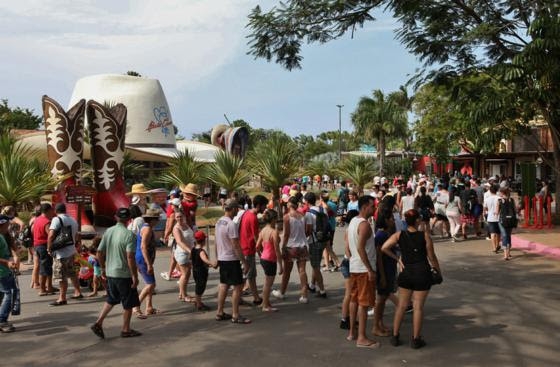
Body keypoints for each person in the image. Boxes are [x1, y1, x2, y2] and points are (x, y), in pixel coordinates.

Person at [382, 209, 441, 349]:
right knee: (418, 306)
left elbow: (384, 247)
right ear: (417, 221)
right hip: (422, 272)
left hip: (406, 272)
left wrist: (398, 259)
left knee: (401, 306)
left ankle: (395, 336)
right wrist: (438, 270)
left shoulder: (399, 235)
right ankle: (416, 339)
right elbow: (431, 256)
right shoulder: (425, 236)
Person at [90, 208, 142, 339]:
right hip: (123, 274)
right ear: (129, 219)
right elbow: (130, 257)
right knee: (128, 303)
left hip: (111, 272)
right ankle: (125, 329)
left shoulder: (109, 231)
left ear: (115, 217)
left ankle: (98, 322)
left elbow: (99, 252)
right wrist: (135, 277)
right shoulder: (129, 235)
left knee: (112, 299)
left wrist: (103, 268)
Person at [347, 196, 380, 348]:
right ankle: (361, 337)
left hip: (354, 266)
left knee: (354, 300)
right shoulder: (364, 224)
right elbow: (361, 248)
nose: (374, 209)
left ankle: (352, 333)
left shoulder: (353, 222)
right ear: (365, 206)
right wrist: (369, 269)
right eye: (372, 206)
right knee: (364, 302)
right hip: (362, 268)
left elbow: (349, 245)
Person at [215, 199, 251, 324]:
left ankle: (220, 311)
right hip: (231, 258)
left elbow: (216, 242)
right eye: (237, 208)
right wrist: (244, 262)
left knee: (224, 285)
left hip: (223, 258)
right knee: (238, 286)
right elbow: (235, 244)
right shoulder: (231, 224)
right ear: (234, 208)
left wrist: (217, 257)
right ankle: (236, 315)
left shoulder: (219, 222)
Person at [273, 196, 309, 303]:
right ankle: (304, 295)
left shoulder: (287, 217)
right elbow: (306, 230)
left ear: (289, 204)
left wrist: (283, 246)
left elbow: (287, 234)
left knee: (287, 271)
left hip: (291, 246)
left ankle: (282, 292)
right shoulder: (303, 215)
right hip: (302, 245)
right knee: (302, 271)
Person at [47, 203, 83, 306]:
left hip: (61, 253)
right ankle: (78, 292)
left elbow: (51, 235)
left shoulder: (56, 219)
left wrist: (49, 248)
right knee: (72, 274)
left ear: (55, 210)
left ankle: (62, 298)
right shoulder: (73, 220)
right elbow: (76, 236)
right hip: (71, 251)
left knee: (61, 276)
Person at [372, 211, 399, 337]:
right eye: (391, 218)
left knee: (383, 299)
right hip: (384, 270)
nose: (393, 221)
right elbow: (379, 257)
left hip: (389, 269)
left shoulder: (386, 234)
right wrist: (382, 275)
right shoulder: (381, 235)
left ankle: (380, 323)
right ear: (386, 220)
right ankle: (375, 326)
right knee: (381, 299)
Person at [239, 194, 268, 306]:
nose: (265, 208)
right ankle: (247, 297)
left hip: (244, 248)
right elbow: (257, 238)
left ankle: (254, 297)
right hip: (248, 249)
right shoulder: (253, 218)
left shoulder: (247, 213)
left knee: (249, 275)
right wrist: (261, 252)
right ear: (259, 205)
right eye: (264, 206)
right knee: (249, 275)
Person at [133, 208, 161, 318]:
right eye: (157, 219)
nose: (158, 221)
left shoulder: (147, 228)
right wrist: (148, 264)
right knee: (151, 284)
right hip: (143, 259)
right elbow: (143, 246)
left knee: (149, 283)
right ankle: (136, 306)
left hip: (143, 258)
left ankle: (149, 307)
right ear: (152, 220)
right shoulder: (147, 229)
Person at [256, 209, 282, 312]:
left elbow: (257, 246)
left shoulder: (263, 230)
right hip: (271, 259)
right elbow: (277, 250)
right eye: (276, 219)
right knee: (268, 283)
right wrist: (281, 265)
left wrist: (261, 254)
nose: (277, 221)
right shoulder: (273, 232)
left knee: (267, 282)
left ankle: (265, 302)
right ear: (273, 219)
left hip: (264, 258)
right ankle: (265, 306)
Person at [339, 209, 359, 330]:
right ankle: (345, 318)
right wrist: (353, 260)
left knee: (350, 293)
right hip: (349, 263)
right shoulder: (351, 229)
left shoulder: (349, 229)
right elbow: (347, 249)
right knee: (350, 293)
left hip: (348, 262)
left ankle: (347, 318)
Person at [304, 192, 327, 298]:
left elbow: (308, 231)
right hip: (323, 240)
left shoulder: (309, 214)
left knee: (316, 266)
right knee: (316, 263)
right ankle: (312, 285)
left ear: (307, 201)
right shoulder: (323, 209)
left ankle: (322, 290)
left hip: (314, 241)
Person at [33, 203, 56, 296]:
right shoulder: (46, 221)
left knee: (47, 266)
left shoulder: (37, 219)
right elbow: (50, 234)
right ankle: (43, 288)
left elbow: (32, 231)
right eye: (51, 210)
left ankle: (49, 286)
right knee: (45, 267)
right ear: (48, 210)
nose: (52, 212)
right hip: (43, 245)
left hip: (37, 245)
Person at [0, 215, 18, 333]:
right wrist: (7, 262)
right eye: (7, 224)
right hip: (2, 272)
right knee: (10, 293)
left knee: (3, 294)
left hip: (5, 271)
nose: (8, 226)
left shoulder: (2, 236)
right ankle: (2, 320)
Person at [191, 230, 216, 311]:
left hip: (195, 270)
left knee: (198, 286)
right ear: (203, 241)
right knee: (201, 287)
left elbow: (192, 259)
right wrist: (212, 263)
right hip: (201, 272)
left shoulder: (193, 249)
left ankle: (198, 301)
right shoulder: (201, 251)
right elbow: (204, 259)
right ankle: (199, 304)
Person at [172, 210, 194, 302]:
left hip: (189, 252)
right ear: (175, 218)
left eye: (181, 216)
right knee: (185, 274)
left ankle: (182, 293)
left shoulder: (186, 224)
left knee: (187, 274)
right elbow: (179, 241)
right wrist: (190, 251)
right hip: (182, 253)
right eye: (177, 217)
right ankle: (184, 295)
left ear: (184, 216)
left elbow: (191, 237)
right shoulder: (176, 228)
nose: (179, 218)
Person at [496, 187, 516, 260]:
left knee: (504, 236)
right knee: (508, 235)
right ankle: (509, 253)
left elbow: (497, 212)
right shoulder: (512, 200)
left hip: (502, 221)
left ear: (502, 193)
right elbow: (515, 210)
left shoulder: (499, 201)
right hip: (511, 220)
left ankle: (505, 255)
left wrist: (494, 213)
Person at [484, 185, 502, 253]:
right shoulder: (499, 198)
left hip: (490, 217)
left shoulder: (487, 199)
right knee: (498, 233)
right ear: (496, 190)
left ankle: (494, 247)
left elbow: (485, 208)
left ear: (490, 191)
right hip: (499, 217)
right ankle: (497, 245)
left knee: (492, 233)